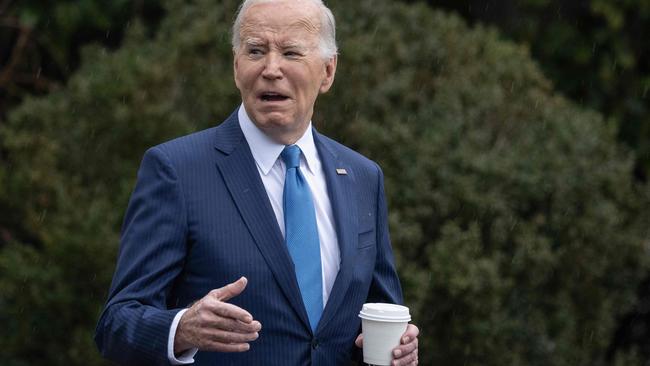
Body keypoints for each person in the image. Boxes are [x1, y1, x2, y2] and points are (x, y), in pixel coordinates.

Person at [94, 0, 419, 364]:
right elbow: (116, 324)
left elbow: (381, 313)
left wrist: (400, 347)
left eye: (291, 52)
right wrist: (181, 329)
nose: (271, 68)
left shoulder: (363, 177)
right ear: (236, 67)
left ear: (328, 72)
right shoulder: (177, 170)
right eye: (255, 51)